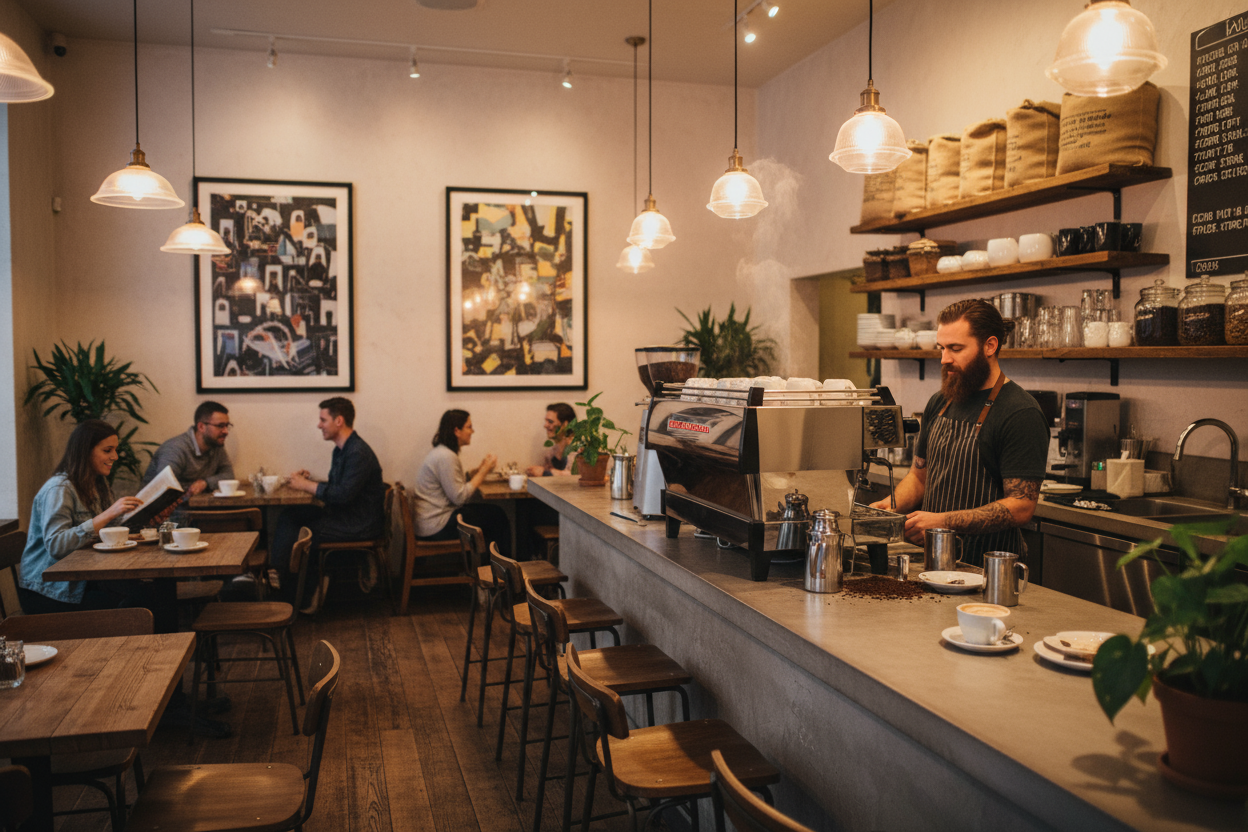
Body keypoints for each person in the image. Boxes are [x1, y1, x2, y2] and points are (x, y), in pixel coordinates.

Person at [871, 299, 1048, 567]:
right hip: (936, 559)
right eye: (941, 348)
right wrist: (890, 506)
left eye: (956, 348)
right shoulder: (941, 402)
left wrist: (942, 522)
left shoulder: (1020, 412)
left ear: (990, 346)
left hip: (990, 567)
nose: (944, 359)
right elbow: (920, 478)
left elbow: (1021, 506)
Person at [17, 420, 145, 614]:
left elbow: (109, 529)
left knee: (145, 593)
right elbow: (57, 546)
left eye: (115, 450)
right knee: (136, 603)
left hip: (79, 581)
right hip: (49, 591)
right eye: (108, 450)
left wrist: (144, 516)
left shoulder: (97, 483)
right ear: (85, 451)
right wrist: (109, 512)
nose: (115, 456)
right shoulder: (59, 488)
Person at [272, 397, 386, 610]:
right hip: (345, 515)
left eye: (323, 420)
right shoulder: (341, 450)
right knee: (291, 514)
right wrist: (308, 480)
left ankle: (301, 594)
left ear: (339, 421)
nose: (319, 425)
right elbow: (338, 488)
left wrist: (306, 485)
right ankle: (278, 573)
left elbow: (342, 495)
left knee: (304, 532)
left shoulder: (357, 453)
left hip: (357, 524)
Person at [413, 410, 511, 557]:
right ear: (457, 431)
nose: (472, 431)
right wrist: (483, 471)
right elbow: (460, 497)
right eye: (469, 427)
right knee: (496, 516)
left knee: (493, 514)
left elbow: (453, 484)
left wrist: (477, 471)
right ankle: (499, 571)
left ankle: (488, 568)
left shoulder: (442, 452)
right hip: (437, 526)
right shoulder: (446, 457)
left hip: (432, 521)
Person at [141, 401, 236, 496]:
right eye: (220, 426)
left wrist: (205, 483)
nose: (226, 431)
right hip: (162, 508)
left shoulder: (215, 445)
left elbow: (229, 476)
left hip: (193, 506)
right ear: (201, 427)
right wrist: (193, 487)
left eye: (227, 426)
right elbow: (165, 487)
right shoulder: (175, 448)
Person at [526, 402, 576, 477]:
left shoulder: (579, 448)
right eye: (546, 421)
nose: (545, 425)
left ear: (565, 424)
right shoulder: (551, 452)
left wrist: (546, 473)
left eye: (550, 422)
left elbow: (578, 475)